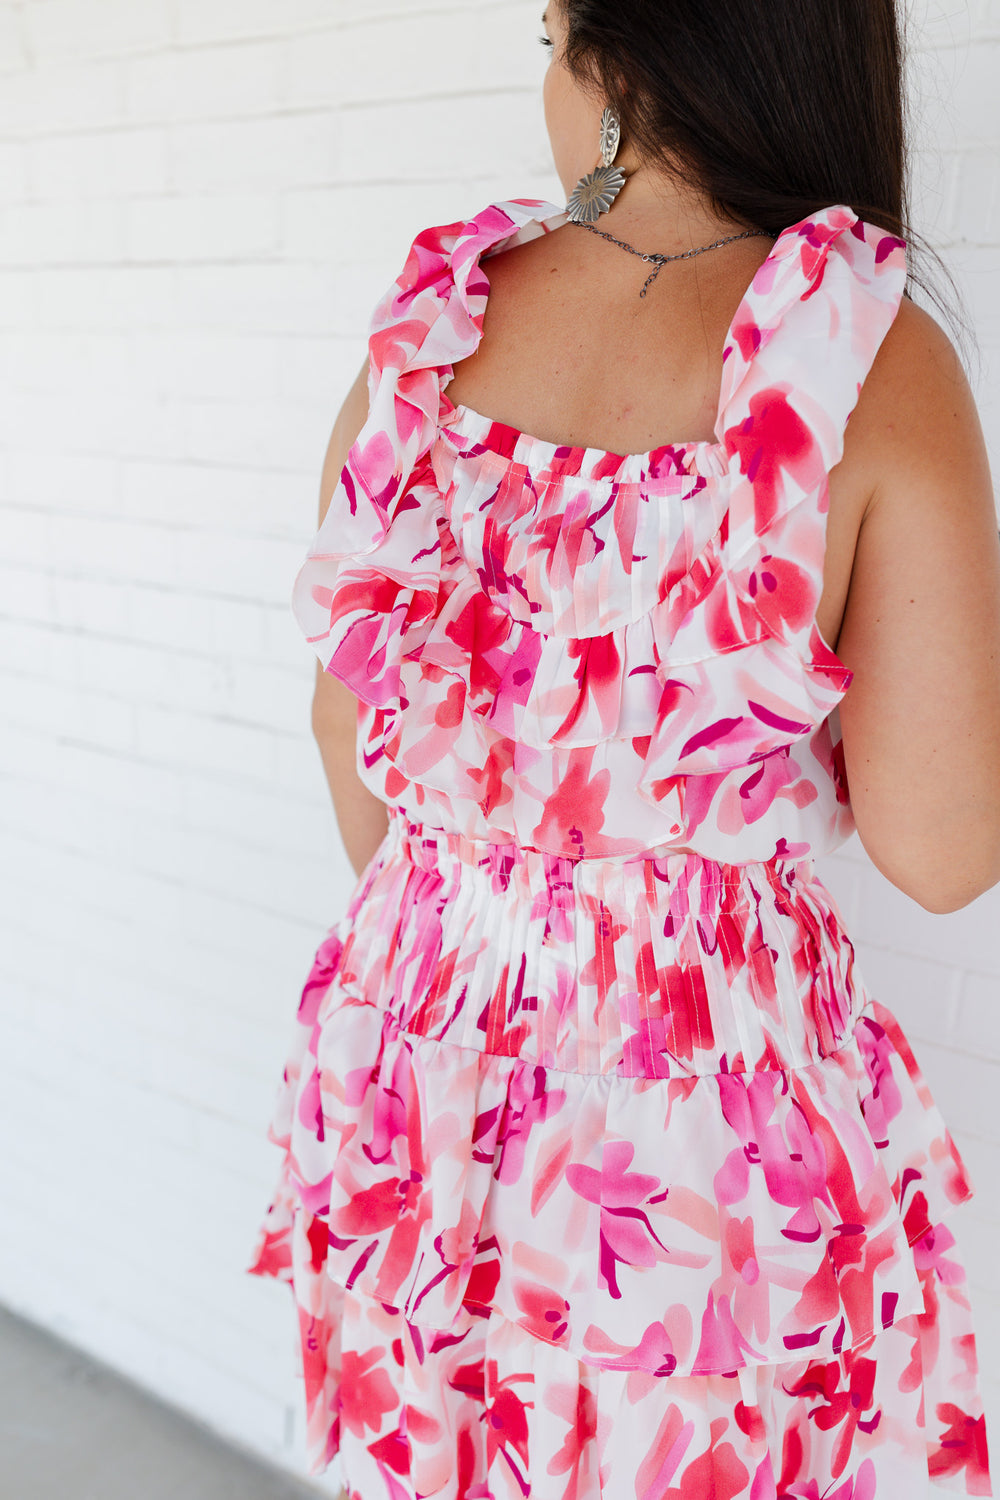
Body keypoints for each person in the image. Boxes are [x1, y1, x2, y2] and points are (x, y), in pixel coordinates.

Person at [247, 0, 1000, 1494]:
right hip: (698, 1125)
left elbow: (353, 730)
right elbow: (945, 846)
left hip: (416, 1059)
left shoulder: (429, 335)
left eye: (550, 38)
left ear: (623, 57)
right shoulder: (864, 355)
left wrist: (497, 908)